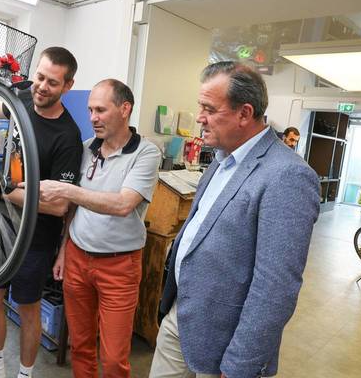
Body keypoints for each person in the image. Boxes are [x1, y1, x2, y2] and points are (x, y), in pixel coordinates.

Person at [150, 61, 320, 378]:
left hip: (224, 341)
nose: (199, 117)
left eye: (209, 109)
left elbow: (276, 287)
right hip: (179, 317)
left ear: (244, 113)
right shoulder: (220, 159)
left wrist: (240, 364)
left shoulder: (287, 175)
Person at [36, 79, 161, 377]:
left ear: (125, 109)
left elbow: (123, 204)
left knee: (114, 358)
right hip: (77, 259)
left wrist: (66, 190)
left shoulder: (146, 153)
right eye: (91, 110)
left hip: (119, 267)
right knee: (80, 346)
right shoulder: (85, 150)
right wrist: (64, 250)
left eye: (101, 110)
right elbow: (74, 209)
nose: (93, 117)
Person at [0, 47, 83, 378]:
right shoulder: (23, 97)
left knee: (27, 307)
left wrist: (3, 191)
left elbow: (59, 205)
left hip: (36, 235)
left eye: (53, 82)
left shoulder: (68, 137)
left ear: (68, 86)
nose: (42, 87)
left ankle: (25, 374)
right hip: (2, 221)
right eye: (40, 77)